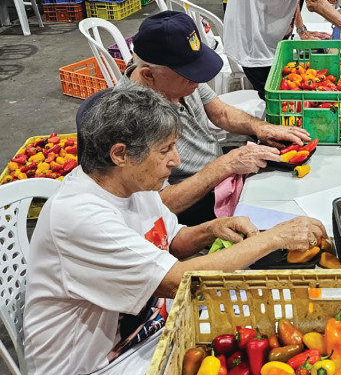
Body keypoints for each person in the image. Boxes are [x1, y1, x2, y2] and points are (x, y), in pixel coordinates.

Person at [24, 85, 327, 375]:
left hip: (157, 336)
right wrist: (274, 238)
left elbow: (173, 241)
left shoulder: (134, 185)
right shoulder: (79, 216)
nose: (175, 160)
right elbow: (176, 280)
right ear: (120, 154)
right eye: (165, 149)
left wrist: (214, 228)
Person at [77, 11, 309, 226]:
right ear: (149, 74)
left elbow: (220, 112)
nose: (197, 82)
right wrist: (225, 165)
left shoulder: (178, 80)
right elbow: (160, 204)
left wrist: (262, 128)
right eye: (189, 76)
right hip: (191, 201)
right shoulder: (131, 122)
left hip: (218, 172)